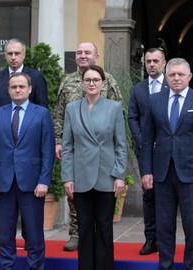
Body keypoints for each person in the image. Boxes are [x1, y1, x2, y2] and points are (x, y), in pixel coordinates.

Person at [140, 58, 193, 270]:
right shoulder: (154, 101)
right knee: (164, 225)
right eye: (172, 74)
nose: (176, 78)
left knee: (192, 226)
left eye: (180, 74)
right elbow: (147, 140)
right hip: (162, 173)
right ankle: (165, 265)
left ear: (189, 76)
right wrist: (146, 171)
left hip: (192, 174)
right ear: (166, 77)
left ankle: (192, 266)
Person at [52, 41, 122, 251]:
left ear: (96, 56)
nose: (83, 55)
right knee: (78, 203)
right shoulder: (67, 81)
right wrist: (58, 141)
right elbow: (59, 113)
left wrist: (118, 170)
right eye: (79, 52)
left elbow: (117, 120)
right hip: (77, 150)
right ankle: (76, 234)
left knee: (102, 220)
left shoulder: (108, 80)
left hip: (102, 157)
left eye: (87, 52)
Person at [0, 72, 55, 270]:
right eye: (14, 87)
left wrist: (44, 181)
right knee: (5, 234)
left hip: (32, 183)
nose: (17, 90)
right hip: (4, 184)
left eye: (21, 86)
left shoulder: (41, 113)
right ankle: (6, 267)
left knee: (34, 234)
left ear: (30, 89)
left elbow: (47, 150)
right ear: (8, 90)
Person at [61, 64, 127, 270]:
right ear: (82, 83)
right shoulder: (72, 108)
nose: (91, 83)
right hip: (81, 175)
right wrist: (67, 177)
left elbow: (121, 144)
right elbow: (67, 146)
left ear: (103, 83)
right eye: (88, 80)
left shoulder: (114, 108)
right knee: (85, 227)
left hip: (106, 174)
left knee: (105, 227)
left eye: (96, 80)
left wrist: (119, 175)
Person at [127, 47, 167, 255]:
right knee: (149, 194)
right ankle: (150, 238)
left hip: (168, 150)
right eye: (148, 61)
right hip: (145, 151)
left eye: (155, 61)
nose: (151, 64)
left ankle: (166, 239)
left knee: (167, 195)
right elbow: (132, 117)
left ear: (164, 63)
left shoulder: (173, 85)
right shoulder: (138, 89)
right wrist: (144, 141)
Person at [0, 39, 50, 115]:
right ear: (5, 55)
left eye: (17, 53)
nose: (13, 57)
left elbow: (42, 107)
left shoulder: (36, 76)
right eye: (10, 54)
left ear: (24, 55)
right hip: (2, 122)